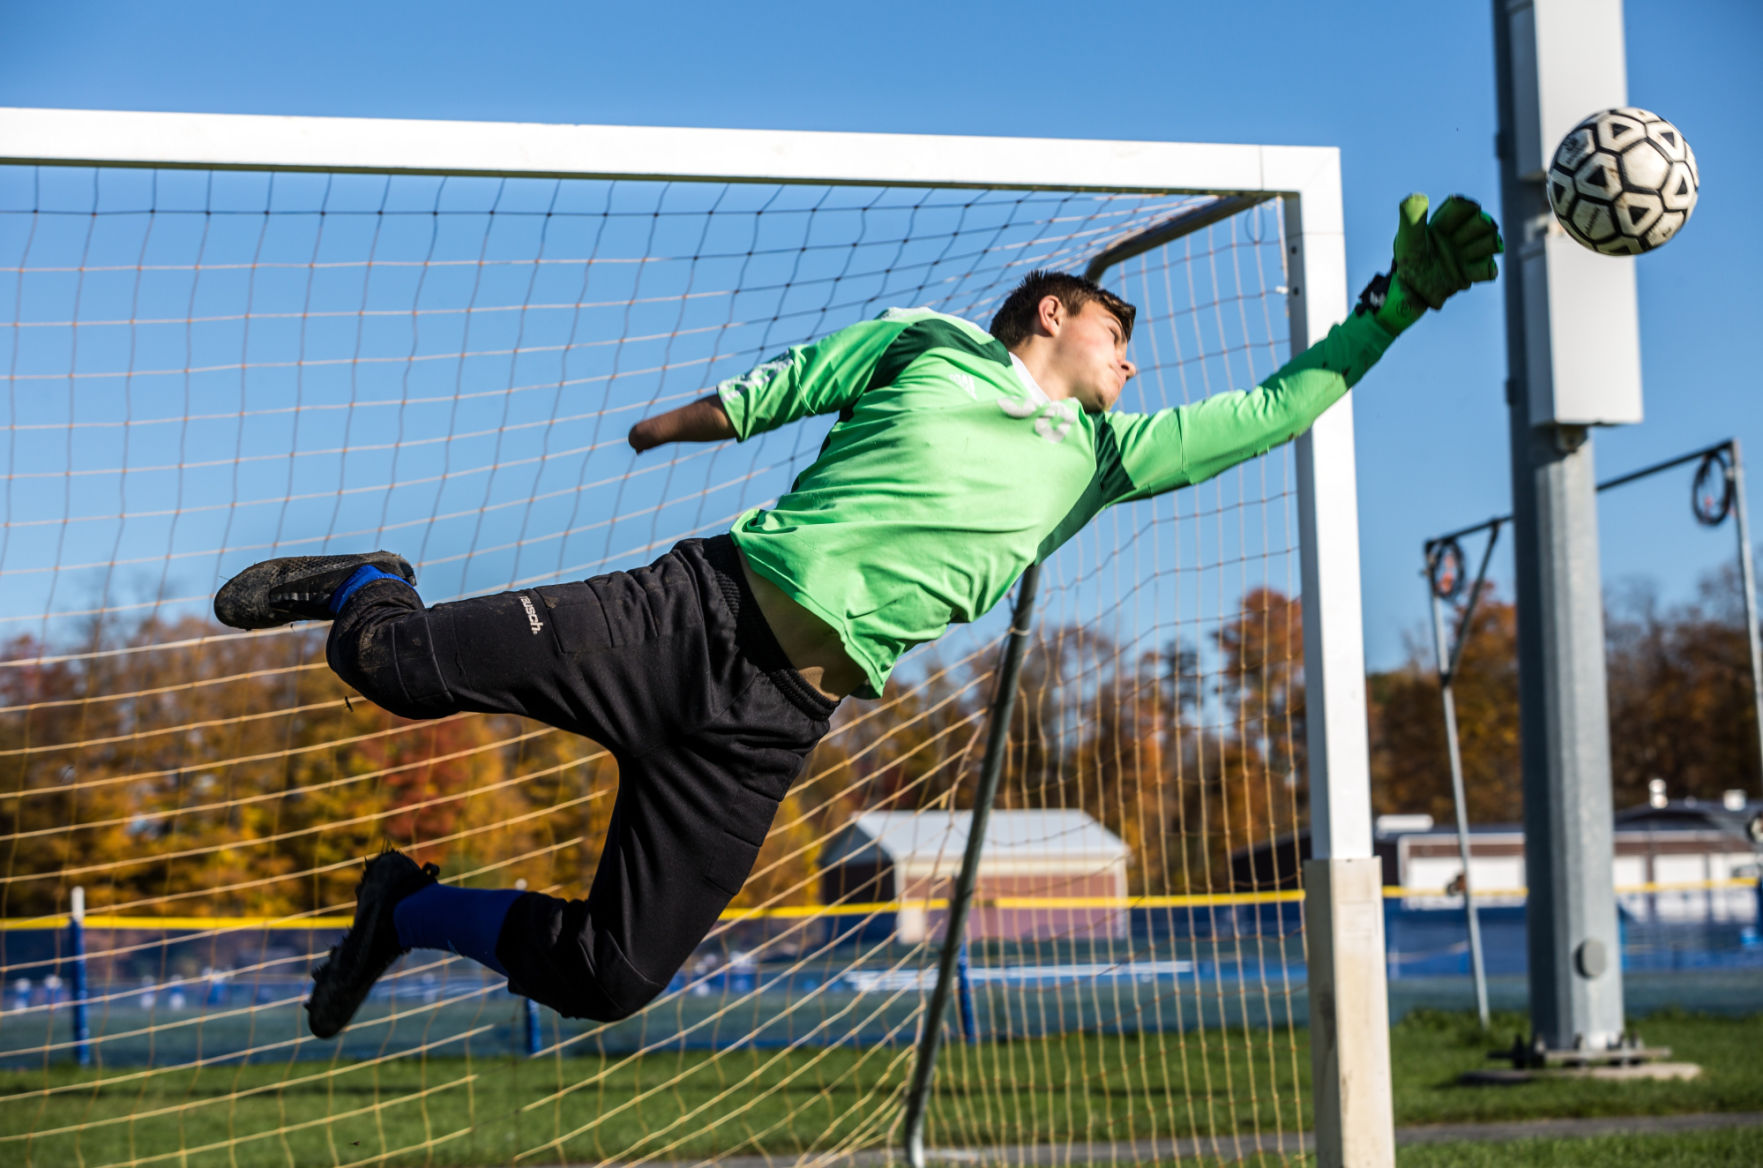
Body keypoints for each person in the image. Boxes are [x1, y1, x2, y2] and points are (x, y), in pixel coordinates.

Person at [214, 194, 1501, 1039]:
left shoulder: (1107, 455)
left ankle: (404, 911)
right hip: (690, 615)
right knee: (383, 663)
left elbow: (1271, 407)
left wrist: (1392, 307)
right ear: (1050, 314)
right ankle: (366, 574)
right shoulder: (932, 344)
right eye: (1118, 331)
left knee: (611, 978)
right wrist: (689, 420)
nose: (1132, 359)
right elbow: (794, 382)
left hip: (770, 725)